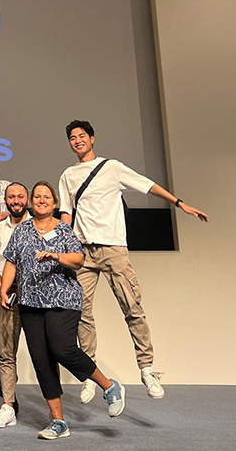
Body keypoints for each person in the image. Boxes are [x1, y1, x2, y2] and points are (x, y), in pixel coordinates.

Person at [58, 120, 208, 402]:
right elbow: (66, 213)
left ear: (92, 138)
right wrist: (62, 246)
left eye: (82, 135)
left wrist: (179, 204)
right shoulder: (68, 175)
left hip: (113, 248)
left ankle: (147, 368)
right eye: (72, 137)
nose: (77, 140)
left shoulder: (112, 167)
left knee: (132, 307)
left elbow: (148, 186)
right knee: (81, 312)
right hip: (83, 251)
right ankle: (90, 374)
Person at [0, 181, 126, 440]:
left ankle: (110, 386)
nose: (41, 200)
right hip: (30, 302)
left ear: (54, 203)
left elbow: (78, 260)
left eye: (46, 197)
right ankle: (58, 421)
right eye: (37, 196)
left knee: (62, 349)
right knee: (41, 360)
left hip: (63, 299)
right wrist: (4, 289)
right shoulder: (22, 230)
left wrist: (56, 256)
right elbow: (11, 261)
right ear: (31, 202)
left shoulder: (64, 229)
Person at [0, 182, 29, 428]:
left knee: (44, 352)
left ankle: (55, 408)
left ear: (27, 199)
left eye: (20, 196)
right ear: (5, 200)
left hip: (36, 297)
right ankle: (8, 406)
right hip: (5, 295)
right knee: (6, 353)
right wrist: (2, 287)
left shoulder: (38, 226)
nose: (16, 201)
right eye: (11, 197)